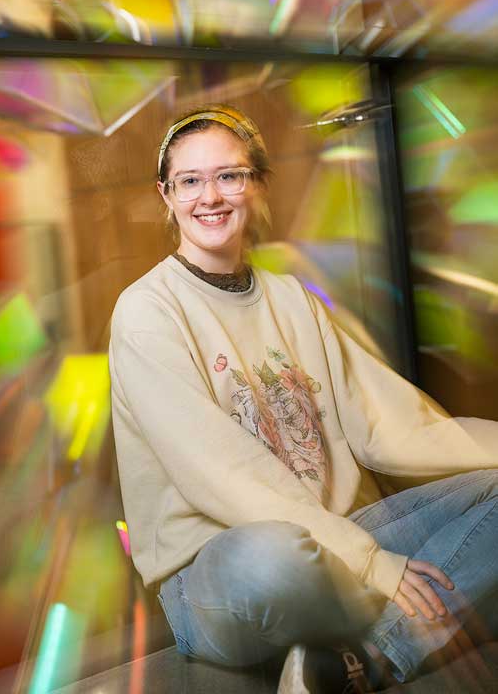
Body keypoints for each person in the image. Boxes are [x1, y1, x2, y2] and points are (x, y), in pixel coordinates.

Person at [109, 105, 498, 694]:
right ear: (166, 195)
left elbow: (389, 420)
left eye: (229, 175)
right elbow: (219, 473)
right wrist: (373, 565)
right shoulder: (146, 312)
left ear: (257, 183)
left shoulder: (293, 298)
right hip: (219, 573)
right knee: (275, 556)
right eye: (189, 181)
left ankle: (361, 661)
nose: (209, 196)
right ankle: (413, 612)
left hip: (340, 534)